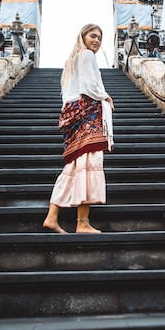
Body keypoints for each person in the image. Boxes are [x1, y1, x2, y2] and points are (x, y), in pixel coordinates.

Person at [43, 24, 115, 234]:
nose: (97, 41)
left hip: (74, 116)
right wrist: (107, 97)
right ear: (83, 36)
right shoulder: (87, 56)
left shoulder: (72, 60)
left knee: (74, 167)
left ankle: (52, 216)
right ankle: (82, 223)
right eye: (93, 36)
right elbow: (89, 86)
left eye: (100, 38)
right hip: (87, 115)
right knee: (89, 164)